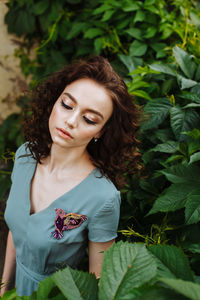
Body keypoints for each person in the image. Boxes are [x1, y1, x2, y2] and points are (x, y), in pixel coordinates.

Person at [1, 56, 140, 296]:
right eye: (67, 104)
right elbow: (16, 231)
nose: (71, 121)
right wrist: (4, 289)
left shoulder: (103, 198)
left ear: (101, 131)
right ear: (55, 100)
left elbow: (100, 281)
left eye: (89, 119)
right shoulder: (25, 156)